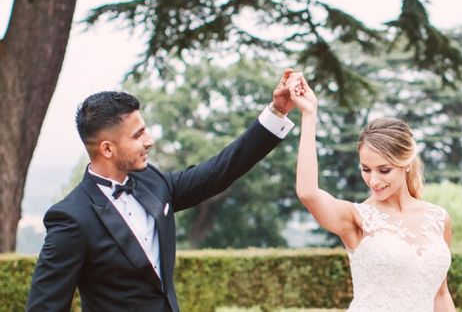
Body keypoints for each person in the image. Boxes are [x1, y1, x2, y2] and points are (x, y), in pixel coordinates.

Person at [26, 68, 299, 312]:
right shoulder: (71, 218)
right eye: (137, 135)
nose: (150, 141)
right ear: (107, 149)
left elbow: (220, 171)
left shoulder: (153, 181)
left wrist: (276, 112)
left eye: (145, 130)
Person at [288, 73, 456, 312]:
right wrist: (309, 115)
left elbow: (440, 295)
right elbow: (308, 193)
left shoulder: (439, 219)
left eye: (384, 170)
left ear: (406, 163)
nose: (373, 180)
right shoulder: (356, 219)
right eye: (366, 169)